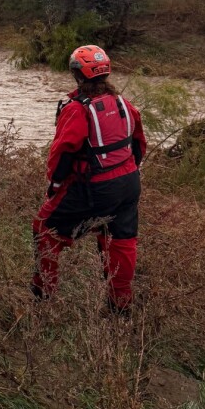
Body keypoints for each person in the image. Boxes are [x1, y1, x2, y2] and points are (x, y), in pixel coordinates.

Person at [31, 45, 147, 316]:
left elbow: (62, 154)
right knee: (121, 239)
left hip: (94, 187)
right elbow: (139, 145)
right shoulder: (124, 104)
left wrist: (56, 186)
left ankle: (42, 295)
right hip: (129, 183)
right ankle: (120, 305)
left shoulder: (77, 109)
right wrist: (128, 172)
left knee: (44, 228)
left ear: (77, 75)